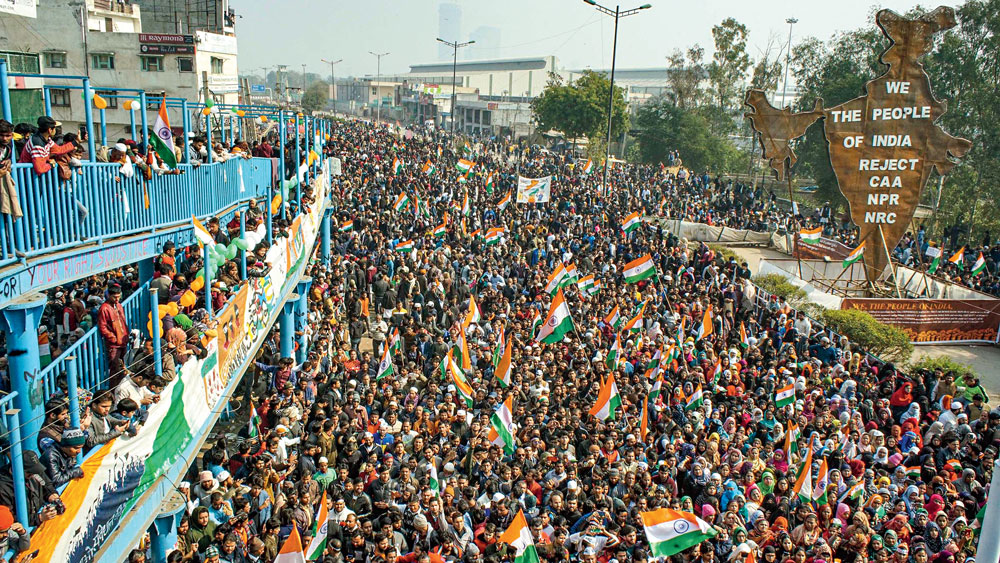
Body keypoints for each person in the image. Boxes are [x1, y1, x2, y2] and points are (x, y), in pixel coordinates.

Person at [98, 283, 130, 380]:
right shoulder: (104, 308)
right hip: (114, 344)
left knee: (124, 368)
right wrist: (113, 338)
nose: (117, 299)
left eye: (118, 297)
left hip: (123, 341)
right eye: (115, 297)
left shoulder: (119, 306)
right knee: (115, 370)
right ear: (109, 295)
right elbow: (102, 326)